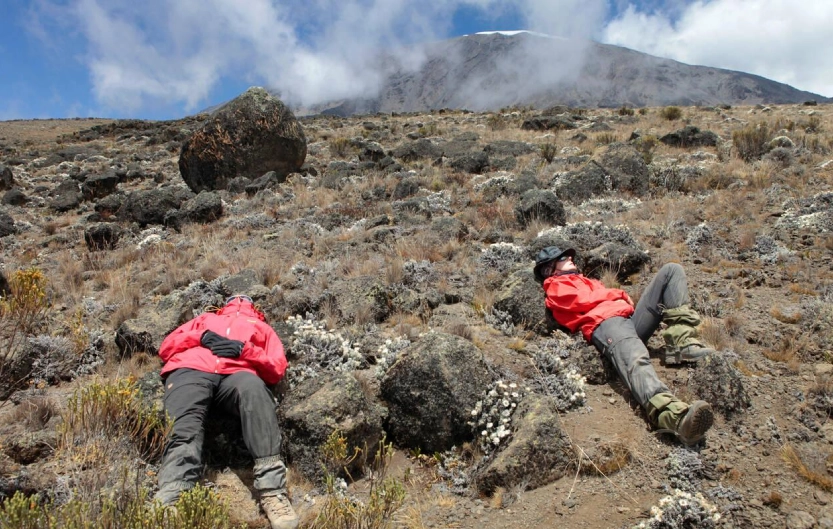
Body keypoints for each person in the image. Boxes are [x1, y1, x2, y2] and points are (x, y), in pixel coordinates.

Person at [534, 246, 716, 445]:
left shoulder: (585, 280)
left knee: (672, 271)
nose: (569, 257)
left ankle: (681, 345)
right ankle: (675, 419)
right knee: (636, 359)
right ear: (550, 268)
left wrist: (617, 296)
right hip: (607, 324)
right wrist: (618, 294)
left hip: (628, 320)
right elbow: (584, 301)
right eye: (562, 257)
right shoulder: (555, 286)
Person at [155, 294, 299, 529]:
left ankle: (273, 492)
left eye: (244, 297)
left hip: (238, 373)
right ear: (224, 305)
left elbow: (276, 367)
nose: (240, 298)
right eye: (235, 297)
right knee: (184, 426)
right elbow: (167, 346)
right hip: (192, 369)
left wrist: (244, 350)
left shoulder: (262, 328)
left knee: (255, 392)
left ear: (255, 307)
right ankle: (173, 495)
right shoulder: (205, 319)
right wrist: (200, 336)